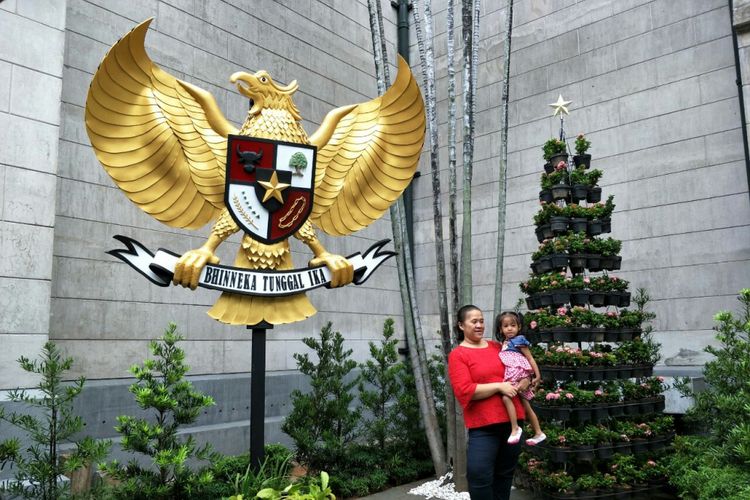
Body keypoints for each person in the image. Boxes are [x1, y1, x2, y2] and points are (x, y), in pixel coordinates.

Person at [448, 305, 530, 500]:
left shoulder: (497, 347)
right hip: (483, 426)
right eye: (473, 321)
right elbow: (465, 390)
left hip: (513, 423)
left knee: (504, 476)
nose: (479, 325)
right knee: (479, 475)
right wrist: (499, 386)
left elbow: (521, 368)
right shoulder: (458, 354)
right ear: (461, 325)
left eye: (482, 321)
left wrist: (525, 380)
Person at [495, 311, 546, 446]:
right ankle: (539, 432)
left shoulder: (519, 340)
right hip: (514, 375)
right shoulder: (504, 342)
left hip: (518, 374)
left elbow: (529, 357)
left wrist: (537, 375)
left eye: (513, 325)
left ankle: (515, 428)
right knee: (526, 405)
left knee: (506, 397)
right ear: (501, 329)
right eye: (506, 326)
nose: (510, 328)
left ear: (519, 327)